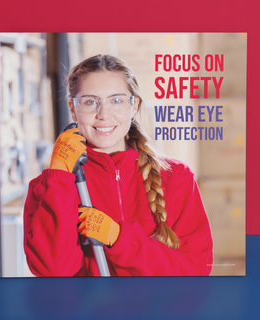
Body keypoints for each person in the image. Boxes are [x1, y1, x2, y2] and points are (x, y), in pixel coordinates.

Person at [23, 54, 213, 277]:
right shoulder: (49, 187)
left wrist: (119, 238)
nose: (103, 115)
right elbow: (53, 271)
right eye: (90, 102)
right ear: (73, 109)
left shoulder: (176, 177)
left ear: (134, 106)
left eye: (116, 100)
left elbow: (196, 270)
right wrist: (57, 174)